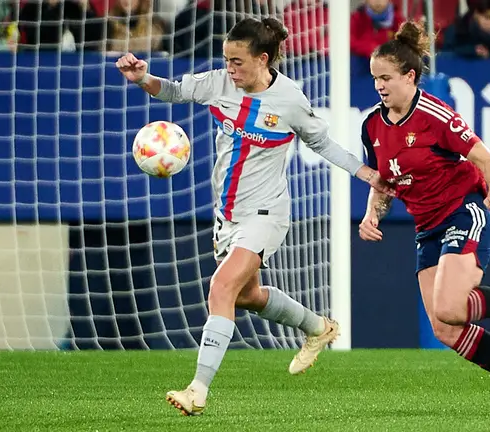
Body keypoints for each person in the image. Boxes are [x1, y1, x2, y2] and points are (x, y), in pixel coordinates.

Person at [115, 16, 392, 416]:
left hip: (267, 212)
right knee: (246, 295)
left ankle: (197, 390)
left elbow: (323, 143)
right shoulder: (217, 83)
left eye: (238, 62)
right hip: (227, 214)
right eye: (227, 60)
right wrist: (143, 78)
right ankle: (317, 327)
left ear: (263, 59)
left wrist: (366, 173)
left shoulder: (290, 100)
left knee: (222, 289)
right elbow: (173, 92)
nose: (230, 69)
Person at [358, 21, 490, 411]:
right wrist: (373, 214)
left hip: (463, 211)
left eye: (386, 78)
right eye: (374, 79)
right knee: (444, 327)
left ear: (410, 75)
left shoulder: (436, 115)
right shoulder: (371, 125)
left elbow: (488, 161)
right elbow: (383, 181)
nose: (379, 86)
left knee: (450, 307)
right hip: (426, 228)